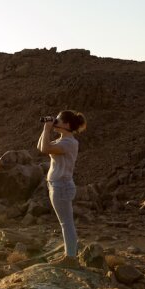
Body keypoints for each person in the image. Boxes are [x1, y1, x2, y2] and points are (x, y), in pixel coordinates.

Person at [37, 110, 87, 268]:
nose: (55, 121)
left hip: (62, 187)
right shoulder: (62, 140)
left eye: (57, 120)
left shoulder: (68, 143)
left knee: (67, 223)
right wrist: (46, 129)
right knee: (65, 223)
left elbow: (45, 149)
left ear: (66, 124)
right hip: (58, 185)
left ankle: (71, 258)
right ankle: (71, 254)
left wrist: (47, 129)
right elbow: (40, 147)